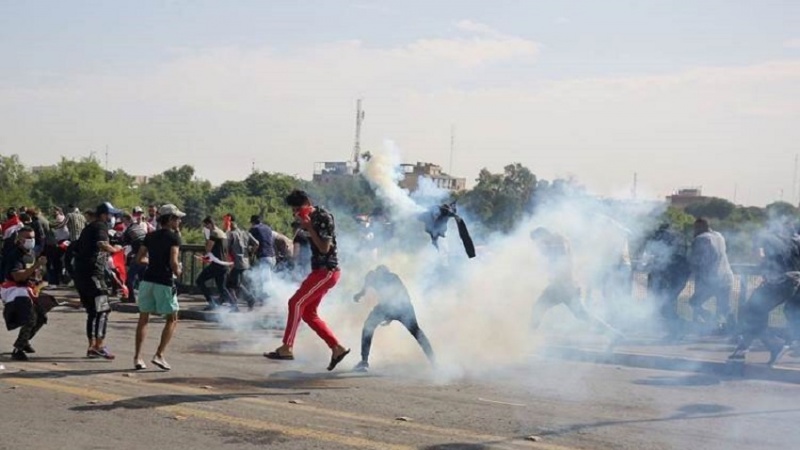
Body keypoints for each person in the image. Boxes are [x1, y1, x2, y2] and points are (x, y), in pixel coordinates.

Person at [264, 190, 350, 371]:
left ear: (307, 203)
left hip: (327, 271)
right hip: (318, 271)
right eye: (294, 210)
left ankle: (287, 347)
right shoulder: (305, 221)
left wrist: (309, 227)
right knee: (308, 313)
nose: (296, 213)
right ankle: (337, 348)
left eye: (298, 209)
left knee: (295, 303)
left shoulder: (323, 217)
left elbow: (325, 249)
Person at [529, 227, 624, 344]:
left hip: (562, 286)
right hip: (565, 286)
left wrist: (556, 269)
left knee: (539, 308)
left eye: (537, 240)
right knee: (582, 314)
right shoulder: (554, 243)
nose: (538, 244)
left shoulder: (557, 242)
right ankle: (613, 334)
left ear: (542, 235)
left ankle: (526, 337)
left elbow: (562, 260)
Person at [728, 223, 800, 366]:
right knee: (755, 313)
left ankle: (771, 344)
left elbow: (761, 258)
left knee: (750, 312)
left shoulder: (768, 239)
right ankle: (748, 348)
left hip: (779, 283)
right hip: (791, 283)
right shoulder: (794, 241)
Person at [351, 265, 435, 372]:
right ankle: (363, 362)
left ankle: (364, 362)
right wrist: (359, 294)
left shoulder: (391, 278)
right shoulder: (374, 278)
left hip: (400, 308)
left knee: (416, 332)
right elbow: (365, 289)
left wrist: (390, 315)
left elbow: (401, 296)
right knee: (369, 327)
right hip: (397, 308)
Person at [133, 204, 185, 371]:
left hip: (147, 280)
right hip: (164, 281)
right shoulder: (174, 238)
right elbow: (173, 262)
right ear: (170, 219)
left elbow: (139, 259)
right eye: (177, 218)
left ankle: (138, 358)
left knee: (143, 319)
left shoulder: (150, 236)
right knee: (172, 318)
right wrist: (178, 271)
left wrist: (153, 262)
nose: (179, 221)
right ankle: (159, 354)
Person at [73, 202, 123, 359]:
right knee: (103, 309)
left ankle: (92, 346)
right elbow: (102, 244)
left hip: (81, 275)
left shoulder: (88, 228)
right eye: (111, 215)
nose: (113, 218)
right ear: (103, 215)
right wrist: (116, 249)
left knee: (92, 311)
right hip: (94, 275)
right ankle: (99, 345)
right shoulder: (100, 226)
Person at [1, 227, 55, 361]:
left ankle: (24, 341)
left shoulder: (31, 253)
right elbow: (17, 276)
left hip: (28, 288)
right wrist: (36, 266)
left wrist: (39, 274)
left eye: (32, 237)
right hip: (14, 289)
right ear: (19, 240)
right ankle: (18, 349)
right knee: (30, 317)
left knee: (41, 317)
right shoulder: (14, 255)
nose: (31, 240)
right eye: (27, 238)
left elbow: (33, 273)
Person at [642, 223, 692, 340]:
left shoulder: (665, 238)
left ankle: (678, 329)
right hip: (680, 274)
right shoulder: (680, 237)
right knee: (667, 304)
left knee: (664, 304)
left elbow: (660, 259)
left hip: (672, 276)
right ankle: (678, 330)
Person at [688, 218, 734, 332]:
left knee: (694, 302)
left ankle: (710, 318)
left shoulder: (701, 239)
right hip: (727, 277)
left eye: (695, 228)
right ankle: (733, 331)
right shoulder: (719, 236)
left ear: (700, 227)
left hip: (712, 279)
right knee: (724, 309)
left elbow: (696, 261)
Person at [196, 216, 231, 311]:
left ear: (210, 224)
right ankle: (234, 306)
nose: (205, 228)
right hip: (223, 263)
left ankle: (211, 302)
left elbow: (208, 249)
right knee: (222, 287)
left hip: (216, 264)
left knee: (199, 280)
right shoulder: (222, 233)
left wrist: (206, 238)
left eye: (206, 226)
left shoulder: (214, 233)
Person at [226, 215, 259, 312]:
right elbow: (257, 243)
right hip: (245, 262)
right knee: (234, 284)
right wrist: (251, 252)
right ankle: (239, 303)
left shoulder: (231, 234)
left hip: (236, 262)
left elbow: (226, 248)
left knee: (231, 285)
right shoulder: (246, 233)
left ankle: (248, 300)